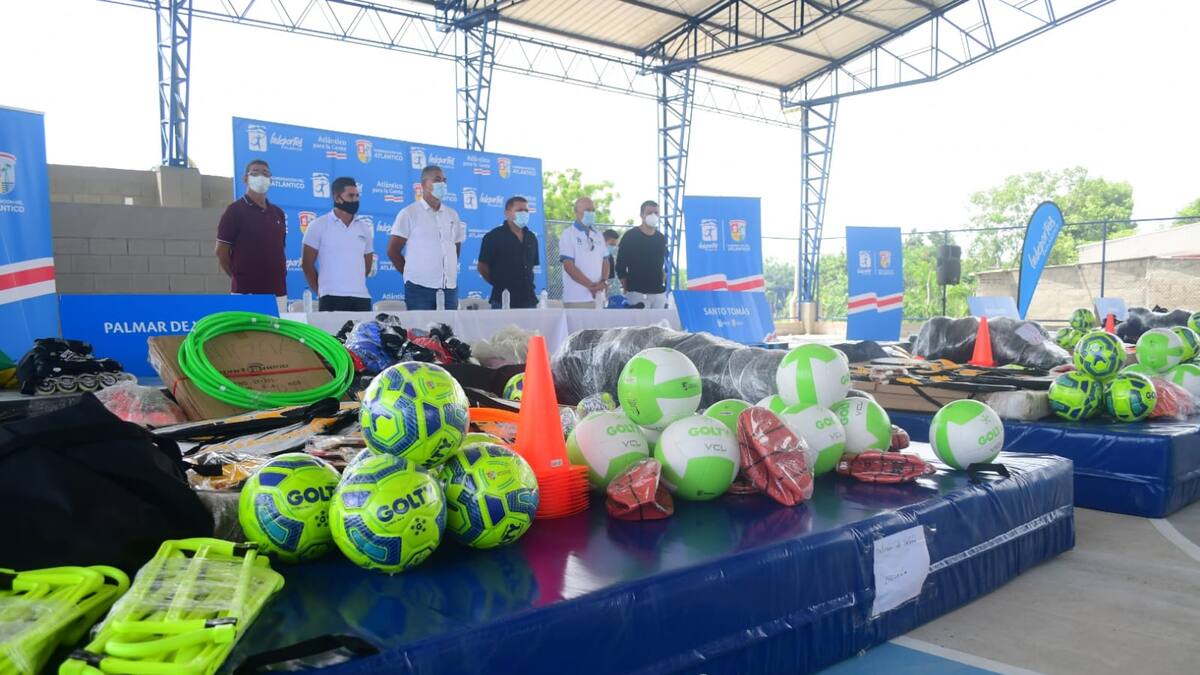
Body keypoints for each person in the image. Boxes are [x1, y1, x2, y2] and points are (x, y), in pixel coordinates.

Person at [387, 165, 465, 310]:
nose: (442, 184)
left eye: (444, 180)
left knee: (450, 325)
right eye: (437, 180)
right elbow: (393, 250)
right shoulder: (409, 213)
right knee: (421, 325)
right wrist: (412, 274)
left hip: (449, 289)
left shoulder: (452, 214)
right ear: (423, 184)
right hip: (419, 290)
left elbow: (455, 247)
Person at [215, 159, 288, 313]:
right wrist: (238, 277)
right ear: (245, 178)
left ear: (270, 179)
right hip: (246, 293)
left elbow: (280, 248)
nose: (261, 177)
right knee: (246, 329)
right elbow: (221, 251)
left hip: (277, 293)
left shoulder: (278, 213)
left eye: (266, 173)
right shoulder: (234, 211)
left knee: (276, 329)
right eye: (255, 173)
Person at [301, 177, 374, 312]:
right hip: (331, 298)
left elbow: (367, 265)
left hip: (362, 297)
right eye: (350, 196)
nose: (355, 200)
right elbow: (307, 264)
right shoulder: (318, 225)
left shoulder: (364, 228)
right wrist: (322, 291)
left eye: (357, 196)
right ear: (337, 198)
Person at [478, 196, 540, 309]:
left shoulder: (531, 237)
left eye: (526, 211)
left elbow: (531, 267)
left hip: (529, 299)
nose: (524, 214)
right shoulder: (493, 236)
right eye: (519, 210)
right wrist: (499, 284)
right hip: (502, 300)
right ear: (507, 213)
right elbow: (482, 267)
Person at [616, 200, 669, 309]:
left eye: (656, 213)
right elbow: (620, 265)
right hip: (636, 293)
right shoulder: (630, 236)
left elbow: (663, 262)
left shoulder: (661, 238)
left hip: (658, 293)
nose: (653, 216)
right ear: (641, 215)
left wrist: (663, 276)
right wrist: (627, 288)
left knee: (660, 320)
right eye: (649, 213)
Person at [558, 197, 609, 309]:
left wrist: (603, 282)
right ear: (576, 212)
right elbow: (568, 266)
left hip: (599, 298)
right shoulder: (568, 234)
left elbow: (605, 261)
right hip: (577, 299)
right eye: (587, 210)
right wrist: (591, 286)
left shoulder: (598, 235)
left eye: (593, 210)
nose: (591, 213)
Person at [603, 228, 622, 297]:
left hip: (612, 289)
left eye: (615, 245)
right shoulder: (596, 256)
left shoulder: (611, 256)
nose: (614, 247)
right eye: (612, 244)